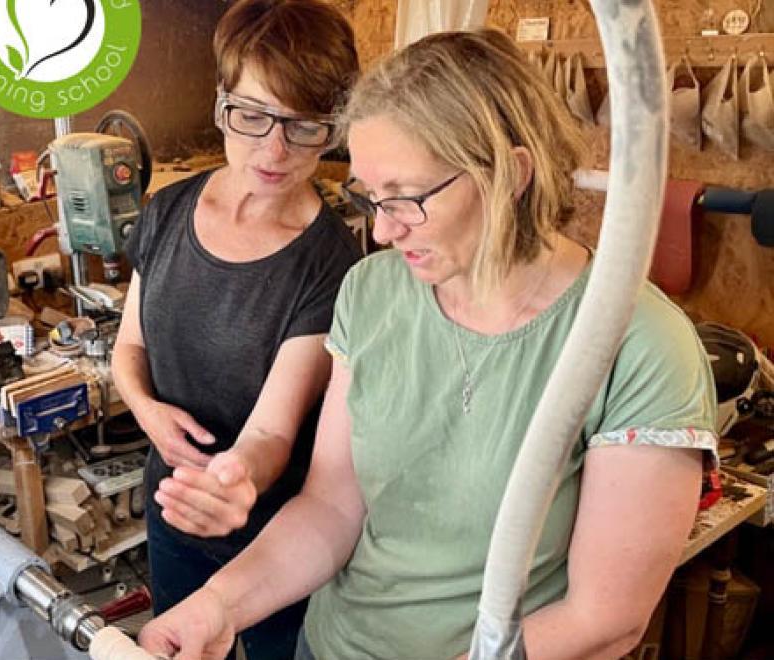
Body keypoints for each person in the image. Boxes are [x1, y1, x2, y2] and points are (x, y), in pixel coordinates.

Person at [138, 28, 717, 660]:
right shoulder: (374, 292)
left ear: (509, 174)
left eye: (405, 199)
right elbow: (331, 508)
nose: (382, 231)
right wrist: (217, 606)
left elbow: (605, 619)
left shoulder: (639, 345)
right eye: (370, 197)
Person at [111, 1, 360, 658]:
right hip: (175, 508)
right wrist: (147, 412)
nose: (272, 150)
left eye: (302, 126)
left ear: (332, 128)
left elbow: (274, 431)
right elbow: (129, 348)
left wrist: (238, 479)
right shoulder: (166, 211)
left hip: (278, 533)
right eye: (251, 116)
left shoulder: (332, 261)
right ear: (222, 103)